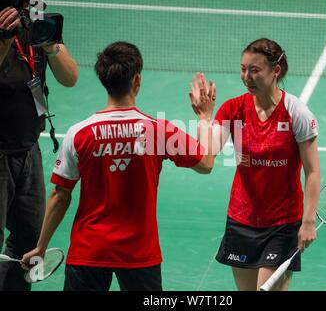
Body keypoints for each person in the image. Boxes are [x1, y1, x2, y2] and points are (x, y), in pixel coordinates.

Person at [22, 41, 215, 291]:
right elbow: (206, 163)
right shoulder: (158, 131)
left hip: (88, 251)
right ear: (137, 81)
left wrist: (41, 246)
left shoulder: (79, 133)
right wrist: (204, 118)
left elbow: (60, 195)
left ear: (103, 81)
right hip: (139, 254)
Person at [189, 38, 320, 291]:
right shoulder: (233, 109)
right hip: (242, 220)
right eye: (243, 69)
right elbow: (207, 159)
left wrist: (308, 221)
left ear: (276, 71)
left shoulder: (296, 113)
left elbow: (312, 171)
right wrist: (204, 118)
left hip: (282, 223)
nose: (246, 76)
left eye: (255, 70)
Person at [0, 1, 78, 290]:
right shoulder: (4, 23)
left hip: (28, 147)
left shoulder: (36, 19)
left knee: (29, 239)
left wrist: (50, 46)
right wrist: (5, 38)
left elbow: (70, 77)